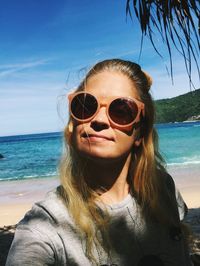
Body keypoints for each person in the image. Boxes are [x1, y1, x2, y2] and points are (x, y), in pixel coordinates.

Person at [6, 59, 192, 266]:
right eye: (85, 106)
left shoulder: (164, 188)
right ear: (72, 126)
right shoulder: (46, 224)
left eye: (121, 110)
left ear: (140, 133)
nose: (99, 120)